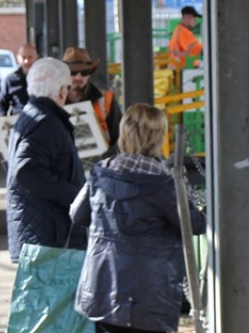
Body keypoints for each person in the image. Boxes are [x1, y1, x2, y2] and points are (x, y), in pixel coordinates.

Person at [71, 103, 207, 333]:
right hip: (149, 296)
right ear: (158, 138)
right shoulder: (163, 182)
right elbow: (195, 224)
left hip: (103, 290)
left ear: (124, 133)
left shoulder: (101, 172)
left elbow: (77, 214)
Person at [5, 57, 86, 263]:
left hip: (41, 231)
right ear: (60, 91)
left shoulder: (34, 115)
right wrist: (74, 196)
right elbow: (26, 172)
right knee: (47, 295)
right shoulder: (45, 122)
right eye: (67, 87)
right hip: (46, 235)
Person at [62, 46, 122, 154]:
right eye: (73, 72)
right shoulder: (54, 102)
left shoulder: (107, 100)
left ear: (89, 74)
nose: (79, 77)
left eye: (84, 72)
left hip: (101, 165)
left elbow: (120, 138)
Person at [0, 43, 39, 117]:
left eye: (30, 57)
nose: (26, 61)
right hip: (19, 121)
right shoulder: (10, 80)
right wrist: (3, 119)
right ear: (18, 58)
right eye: (23, 57)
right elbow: (1, 102)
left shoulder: (45, 77)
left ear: (36, 57)